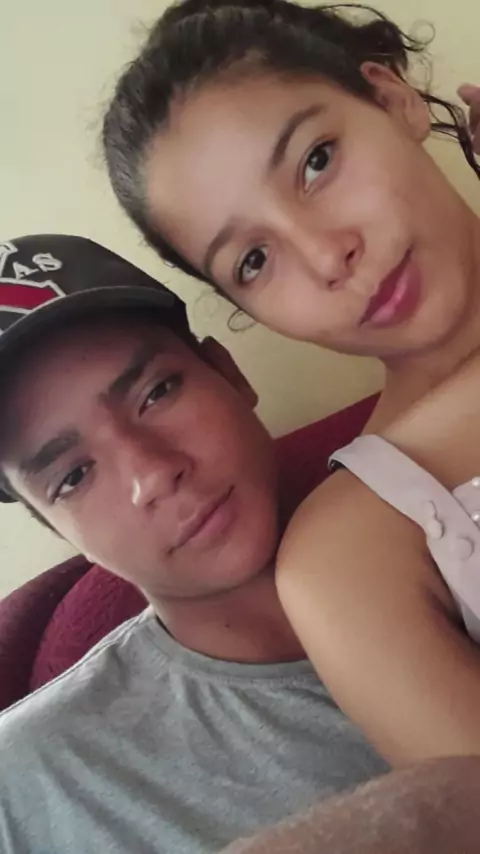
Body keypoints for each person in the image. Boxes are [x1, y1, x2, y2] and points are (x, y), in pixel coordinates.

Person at [1, 237, 480, 854]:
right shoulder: (29, 783)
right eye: (72, 477)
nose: (153, 473)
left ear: (229, 373)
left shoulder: (447, 506)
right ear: (57, 530)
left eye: (156, 393)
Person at [101, 0, 480, 766]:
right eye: (254, 260)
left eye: (316, 162)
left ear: (393, 100)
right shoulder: (352, 552)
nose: (326, 255)